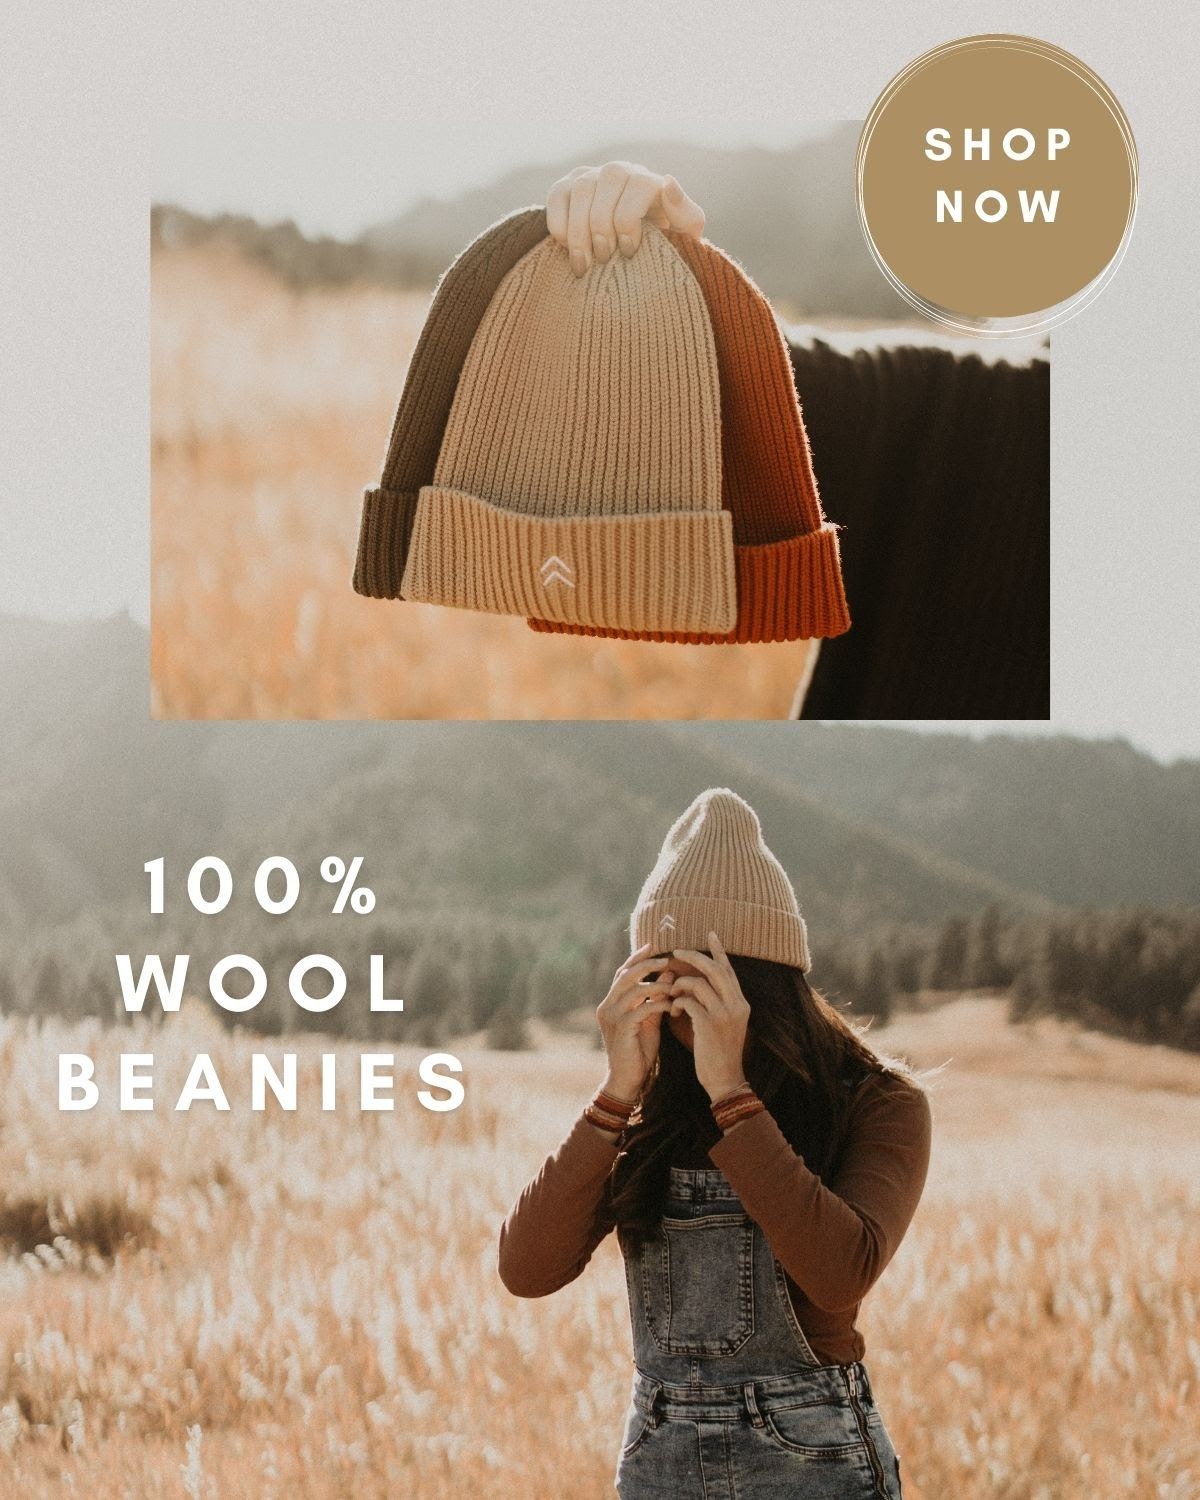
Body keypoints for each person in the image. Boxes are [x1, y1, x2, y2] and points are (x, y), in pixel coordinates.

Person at [498, 787, 933, 1498]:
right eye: (659, 981)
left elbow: (839, 1274)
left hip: (813, 1470)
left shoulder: (877, 1103)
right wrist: (615, 1096)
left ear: (761, 981)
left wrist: (732, 1091)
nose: (678, 1011)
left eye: (701, 981)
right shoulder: (650, 1109)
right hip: (660, 1467)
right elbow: (524, 1269)